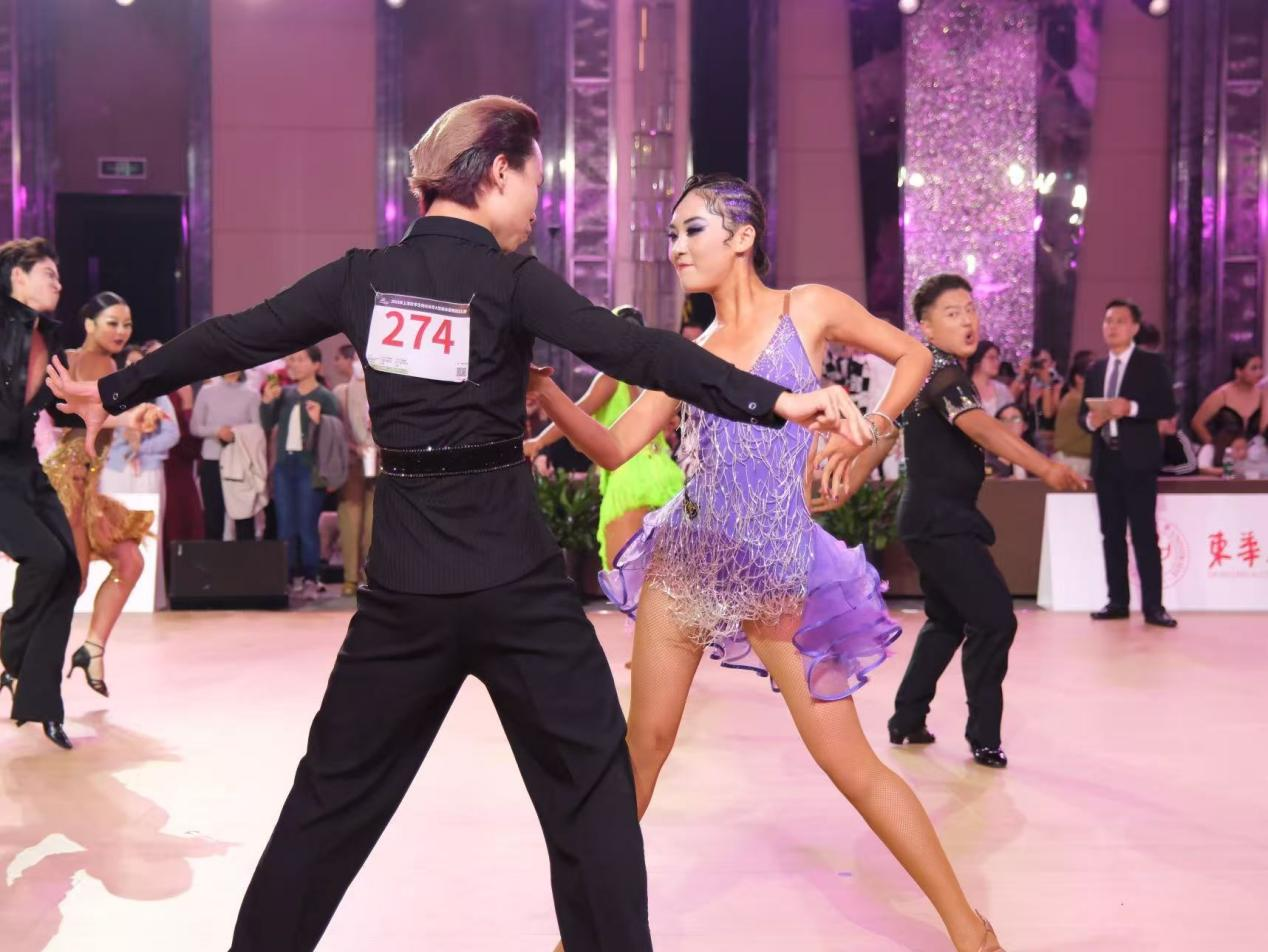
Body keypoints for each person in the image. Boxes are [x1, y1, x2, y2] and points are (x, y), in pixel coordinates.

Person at [47, 95, 861, 952]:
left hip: (405, 590)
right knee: (592, 794)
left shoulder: (361, 278)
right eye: (534, 181)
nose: (539, 203)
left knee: (329, 803)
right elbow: (637, 351)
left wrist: (113, 389)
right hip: (518, 585)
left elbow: (233, 337)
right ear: (498, 171)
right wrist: (778, 401)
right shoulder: (511, 280)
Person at [531, 174, 1006, 952]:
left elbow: (913, 358)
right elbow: (614, 446)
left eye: (692, 230)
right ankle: (575, 938)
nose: (676, 247)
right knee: (640, 753)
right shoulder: (688, 354)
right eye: (672, 234)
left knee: (849, 765)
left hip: (779, 567)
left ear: (742, 237)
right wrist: (548, 398)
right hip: (687, 562)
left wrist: (871, 430)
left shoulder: (807, 308)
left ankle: (969, 929)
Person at [880, 274, 1085, 771]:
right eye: (952, 313)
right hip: (940, 523)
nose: (968, 320)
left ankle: (907, 718)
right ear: (926, 326)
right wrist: (1045, 467)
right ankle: (984, 737)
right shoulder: (942, 372)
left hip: (933, 518)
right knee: (995, 620)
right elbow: (981, 427)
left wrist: (846, 480)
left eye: (970, 309)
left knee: (947, 620)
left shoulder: (924, 371)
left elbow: (884, 433)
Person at [1, 239, 95, 749]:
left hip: (24, 466)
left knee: (69, 571)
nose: (59, 284)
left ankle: (42, 702)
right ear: (18, 276)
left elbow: (58, 407)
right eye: (49, 274)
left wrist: (121, 416)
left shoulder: (47, 337)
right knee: (44, 557)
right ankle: (12, 648)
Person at [43, 292, 161, 702]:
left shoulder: (110, 365)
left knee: (130, 561)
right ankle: (13, 650)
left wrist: (138, 417)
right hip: (68, 480)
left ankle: (91, 649)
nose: (121, 331)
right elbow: (71, 411)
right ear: (89, 324)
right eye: (112, 322)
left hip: (90, 482)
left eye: (127, 324)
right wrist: (130, 417)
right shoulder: (77, 360)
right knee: (71, 582)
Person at [525, 306, 684, 570]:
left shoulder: (611, 378)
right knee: (662, 580)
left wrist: (538, 442)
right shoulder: (651, 381)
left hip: (631, 478)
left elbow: (576, 414)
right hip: (666, 476)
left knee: (625, 578)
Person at [1080, 299, 1178, 628]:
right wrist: (1091, 421)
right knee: (1111, 534)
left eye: (1120, 321)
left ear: (1135, 327)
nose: (1112, 326)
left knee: (1144, 534)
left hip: (1138, 461)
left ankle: (1154, 607)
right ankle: (1117, 602)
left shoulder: (1151, 363)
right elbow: (1083, 416)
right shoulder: (1096, 369)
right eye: (1108, 320)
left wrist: (1131, 408)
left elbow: (1166, 405)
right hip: (1106, 461)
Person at [259, 346, 339, 600]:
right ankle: (288, 577)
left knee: (306, 525)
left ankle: (311, 577)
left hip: (310, 467)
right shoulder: (284, 394)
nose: (293, 363)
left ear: (316, 365)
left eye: (300, 359)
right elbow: (266, 423)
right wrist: (267, 402)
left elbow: (336, 435)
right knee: (285, 525)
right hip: (285, 466)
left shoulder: (325, 397)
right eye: (291, 359)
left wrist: (319, 421)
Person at [190, 370, 262, 540]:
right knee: (213, 517)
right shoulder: (207, 391)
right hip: (212, 460)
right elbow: (195, 427)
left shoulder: (251, 393)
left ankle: (246, 556)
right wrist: (217, 431)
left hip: (240, 462)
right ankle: (212, 556)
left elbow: (257, 429)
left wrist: (236, 433)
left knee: (244, 518)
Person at [331, 344, 374, 594]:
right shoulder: (342, 392)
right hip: (352, 463)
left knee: (374, 523)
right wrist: (354, 447)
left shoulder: (384, 388)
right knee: (350, 519)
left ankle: (371, 576)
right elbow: (336, 431)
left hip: (381, 460)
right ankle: (349, 576)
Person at [1191, 351, 1267, 454]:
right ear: (1238, 372)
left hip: (1254, 455)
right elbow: (1197, 423)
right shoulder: (1222, 395)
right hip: (1225, 453)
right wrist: (1213, 447)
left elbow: (1264, 430)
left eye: (1261, 367)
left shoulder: (1263, 395)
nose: (1260, 373)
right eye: (1254, 368)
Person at [1052, 350, 1094, 477]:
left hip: (1075, 460)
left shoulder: (1075, 397)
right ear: (1079, 378)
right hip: (1073, 461)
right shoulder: (1076, 400)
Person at [967, 340, 1013, 418]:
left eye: (997, 358)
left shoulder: (1002, 389)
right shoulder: (964, 389)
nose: (997, 362)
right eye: (991, 358)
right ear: (977, 360)